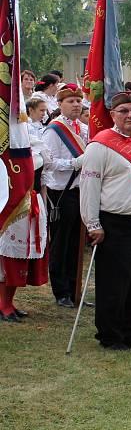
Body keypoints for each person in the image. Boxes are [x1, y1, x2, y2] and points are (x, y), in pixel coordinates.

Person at [80, 92, 131, 350]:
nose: (130, 115)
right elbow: (89, 187)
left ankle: (130, 332)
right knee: (114, 282)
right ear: (113, 115)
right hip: (115, 224)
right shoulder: (100, 145)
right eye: (124, 111)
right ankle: (110, 335)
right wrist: (92, 224)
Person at [41, 84, 87, 308]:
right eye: (71, 101)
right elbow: (48, 162)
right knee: (61, 243)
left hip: (81, 191)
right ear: (60, 104)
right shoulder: (54, 130)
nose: (76, 105)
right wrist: (74, 163)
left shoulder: (82, 129)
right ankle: (61, 291)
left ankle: (74, 287)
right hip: (61, 192)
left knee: (77, 243)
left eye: (78, 100)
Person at [0, 122, 51, 321]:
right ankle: (3, 304)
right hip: (10, 205)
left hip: (32, 203)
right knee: (7, 257)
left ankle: (8, 302)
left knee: (21, 255)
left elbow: (44, 174)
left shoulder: (35, 146)